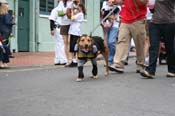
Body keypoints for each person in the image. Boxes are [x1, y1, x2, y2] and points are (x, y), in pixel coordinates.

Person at [109, 0, 148, 73]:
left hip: (138, 19)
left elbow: (145, 2)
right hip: (125, 19)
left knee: (139, 43)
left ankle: (140, 64)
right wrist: (115, 2)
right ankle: (119, 64)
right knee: (121, 41)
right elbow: (122, 1)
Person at [140, 0, 175, 78]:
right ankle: (150, 71)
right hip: (155, 23)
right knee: (153, 47)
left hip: (169, 22)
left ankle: (172, 70)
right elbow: (152, 9)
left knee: (170, 47)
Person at [49, 0, 67, 65]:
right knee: (61, 44)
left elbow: (52, 20)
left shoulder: (57, 10)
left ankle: (57, 60)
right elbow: (52, 20)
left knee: (58, 44)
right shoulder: (57, 10)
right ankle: (63, 59)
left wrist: (52, 29)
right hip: (59, 28)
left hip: (58, 28)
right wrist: (51, 29)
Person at [57, 0, 73, 66]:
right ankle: (68, 60)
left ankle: (73, 59)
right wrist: (66, 13)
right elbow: (59, 13)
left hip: (72, 24)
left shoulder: (72, 2)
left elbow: (76, 11)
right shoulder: (61, 3)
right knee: (65, 42)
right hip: (64, 24)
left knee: (70, 42)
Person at [0, 0, 11, 67]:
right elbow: (7, 23)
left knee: (3, 47)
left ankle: (3, 62)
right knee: (5, 46)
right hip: (5, 32)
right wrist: (13, 22)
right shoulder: (6, 14)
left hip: (1, 32)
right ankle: (4, 62)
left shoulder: (1, 14)